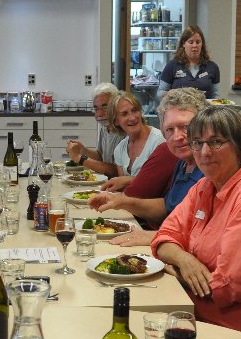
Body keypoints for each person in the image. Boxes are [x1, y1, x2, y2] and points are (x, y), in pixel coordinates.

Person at [150, 106, 241, 332]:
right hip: (190, 310)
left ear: (240, 145)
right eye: (197, 142)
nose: (204, 152)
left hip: (233, 329)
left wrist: (175, 270)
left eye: (216, 142)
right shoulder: (205, 185)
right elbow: (164, 237)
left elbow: (228, 288)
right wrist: (184, 260)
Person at [89, 88, 208, 240]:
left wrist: (154, 236)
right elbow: (166, 207)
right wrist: (120, 201)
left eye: (185, 127)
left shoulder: (210, 170)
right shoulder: (183, 163)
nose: (177, 137)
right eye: (170, 129)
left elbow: (204, 236)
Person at [65, 82, 126, 177]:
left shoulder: (125, 131)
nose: (99, 114)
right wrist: (84, 150)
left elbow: (117, 171)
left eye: (105, 107)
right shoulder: (105, 128)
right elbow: (101, 157)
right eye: (96, 109)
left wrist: (80, 158)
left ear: (117, 105)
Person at [110, 91, 165, 177]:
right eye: (124, 114)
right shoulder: (120, 149)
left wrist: (127, 180)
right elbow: (121, 184)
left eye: (135, 110)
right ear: (115, 121)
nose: (132, 118)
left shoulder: (159, 141)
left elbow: (158, 181)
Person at [157, 25, 219, 100]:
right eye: (191, 42)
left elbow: (215, 95)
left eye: (198, 42)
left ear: (202, 44)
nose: (195, 45)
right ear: (183, 44)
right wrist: (170, 94)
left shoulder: (212, 67)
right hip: (179, 107)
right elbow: (159, 93)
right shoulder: (172, 65)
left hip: (204, 107)